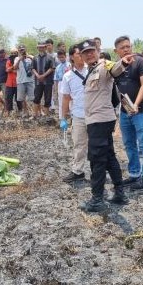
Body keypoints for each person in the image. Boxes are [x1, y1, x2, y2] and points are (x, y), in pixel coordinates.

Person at [78, 39, 135, 212]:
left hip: (100, 121)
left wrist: (123, 62)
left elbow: (116, 68)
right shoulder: (91, 70)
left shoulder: (104, 65)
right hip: (97, 120)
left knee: (97, 160)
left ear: (97, 51)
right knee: (109, 156)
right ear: (81, 56)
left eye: (92, 51)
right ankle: (120, 193)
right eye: (85, 52)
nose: (89, 54)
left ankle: (97, 199)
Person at [112, 36, 143, 190]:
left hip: (140, 110)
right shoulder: (117, 66)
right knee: (129, 144)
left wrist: (136, 104)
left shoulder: (140, 62)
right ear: (116, 51)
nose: (126, 49)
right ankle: (134, 174)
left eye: (128, 46)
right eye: (122, 47)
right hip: (124, 111)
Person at [60, 44, 88, 183]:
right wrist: (63, 118)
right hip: (78, 114)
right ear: (71, 57)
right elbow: (65, 98)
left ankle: (100, 171)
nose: (82, 56)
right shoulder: (67, 76)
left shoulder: (93, 70)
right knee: (79, 144)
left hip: (95, 114)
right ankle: (78, 171)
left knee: (98, 145)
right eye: (78, 54)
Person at [32, 41, 56, 118]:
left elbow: (52, 68)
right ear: (37, 48)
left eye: (42, 47)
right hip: (38, 81)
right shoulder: (35, 57)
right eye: (39, 47)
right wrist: (38, 75)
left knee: (47, 98)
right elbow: (32, 68)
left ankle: (47, 116)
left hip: (48, 81)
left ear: (45, 47)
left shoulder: (50, 57)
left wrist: (43, 75)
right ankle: (35, 115)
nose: (41, 48)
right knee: (36, 97)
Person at [14, 44, 35, 118]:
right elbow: (15, 68)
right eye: (20, 50)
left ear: (25, 49)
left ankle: (34, 112)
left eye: (23, 49)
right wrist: (20, 59)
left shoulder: (31, 57)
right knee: (21, 98)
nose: (22, 51)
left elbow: (36, 64)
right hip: (20, 81)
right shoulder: (16, 58)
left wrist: (29, 57)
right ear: (18, 50)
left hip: (30, 80)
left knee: (32, 98)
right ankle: (25, 112)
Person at [5, 49, 22, 116]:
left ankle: (20, 111)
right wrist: (13, 67)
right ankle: (9, 112)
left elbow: (19, 70)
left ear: (17, 53)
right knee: (9, 98)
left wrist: (12, 69)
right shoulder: (8, 61)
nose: (13, 54)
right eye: (12, 53)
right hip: (9, 83)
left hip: (18, 83)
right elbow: (7, 70)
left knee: (18, 98)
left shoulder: (19, 61)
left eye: (15, 53)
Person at [54, 50, 70, 119]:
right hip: (60, 84)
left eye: (62, 57)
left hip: (69, 83)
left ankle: (71, 117)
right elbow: (56, 79)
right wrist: (55, 89)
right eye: (60, 57)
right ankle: (61, 117)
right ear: (57, 57)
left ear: (65, 57)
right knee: (61, 100)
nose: (61, 59)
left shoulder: (70, 65)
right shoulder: (58, 67)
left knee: (70, 101)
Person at [0, 49, 8, 116]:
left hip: (5, 81)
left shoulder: (8, 59)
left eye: (1, 53)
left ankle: (6, 110)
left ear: (4, 53)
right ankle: (4, 104)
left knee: (5, 96)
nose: (0, 54)